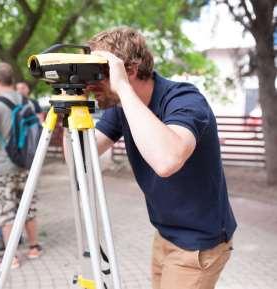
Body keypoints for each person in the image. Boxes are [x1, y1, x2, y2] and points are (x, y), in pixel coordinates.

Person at [85, 27, 237, 289]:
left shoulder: (184, 99)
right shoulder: (123, 106)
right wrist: (69, 104)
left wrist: (120, 86)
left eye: (100, 73)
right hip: (165, 235)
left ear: (129, 70)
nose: (93, 83)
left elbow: (167, 160)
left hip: (198, 244)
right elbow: (81, 158)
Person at [0, 63, 42, 269]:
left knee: (6, 212)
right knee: (27, 207)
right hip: (25, 165)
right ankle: (34, 248)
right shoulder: (26, 101)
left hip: (3, 168)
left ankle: (11, 258)